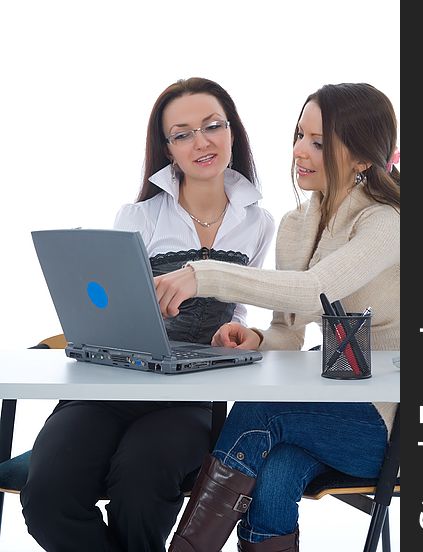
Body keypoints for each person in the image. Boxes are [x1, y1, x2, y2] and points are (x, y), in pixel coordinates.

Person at [20, 77, 275, 552]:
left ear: (232, 131)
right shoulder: (139, 216)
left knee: (139, 485)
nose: (200, 142)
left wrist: (244, 334)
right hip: (111, 387)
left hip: (190, 396)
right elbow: (111, 309)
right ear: (168, 148)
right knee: (48, 496)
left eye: (211, 126)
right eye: (182, 133)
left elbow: (240, 308)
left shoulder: (257, 221)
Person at [154, 82, 400, 551]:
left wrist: (203, 274)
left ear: (365, 158)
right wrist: (257, 338)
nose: (299, 152)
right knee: (275, 471)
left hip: (392, 422)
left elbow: (314, 287)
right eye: (300, 135)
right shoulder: (295, 225)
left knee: (259, 412)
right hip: (330, 405)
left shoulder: (386, 222)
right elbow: (291, 328)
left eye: (320, 143)